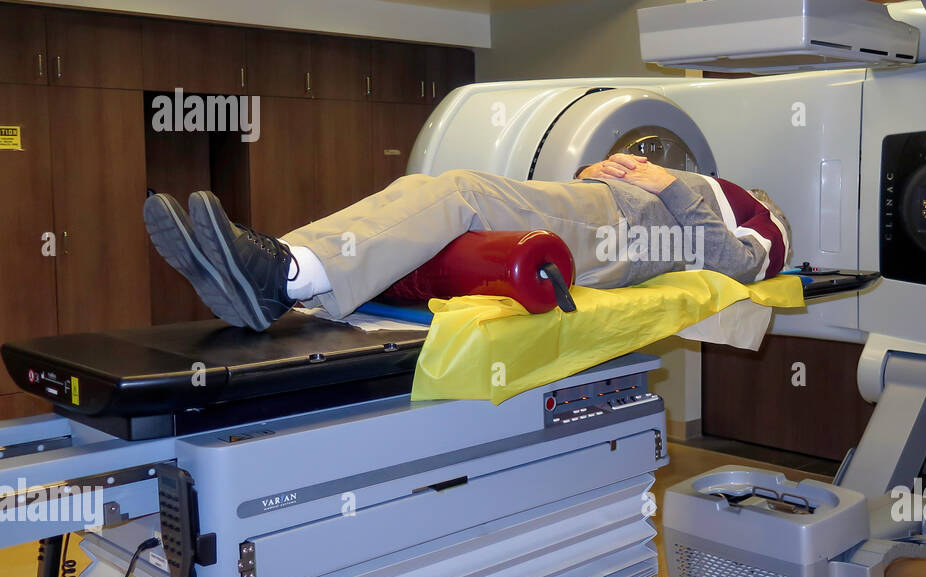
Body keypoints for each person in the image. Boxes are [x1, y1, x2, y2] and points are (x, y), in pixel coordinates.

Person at [144, 154, 792, 331]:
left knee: (459, 192)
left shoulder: (763, 218)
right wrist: (603, 173)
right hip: (606, 212)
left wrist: (669, 185)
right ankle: (275, 273)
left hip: (626, 232)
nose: (755, 192)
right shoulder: (706, 187)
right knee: (432, 192)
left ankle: (282, 273)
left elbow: (739, 265)